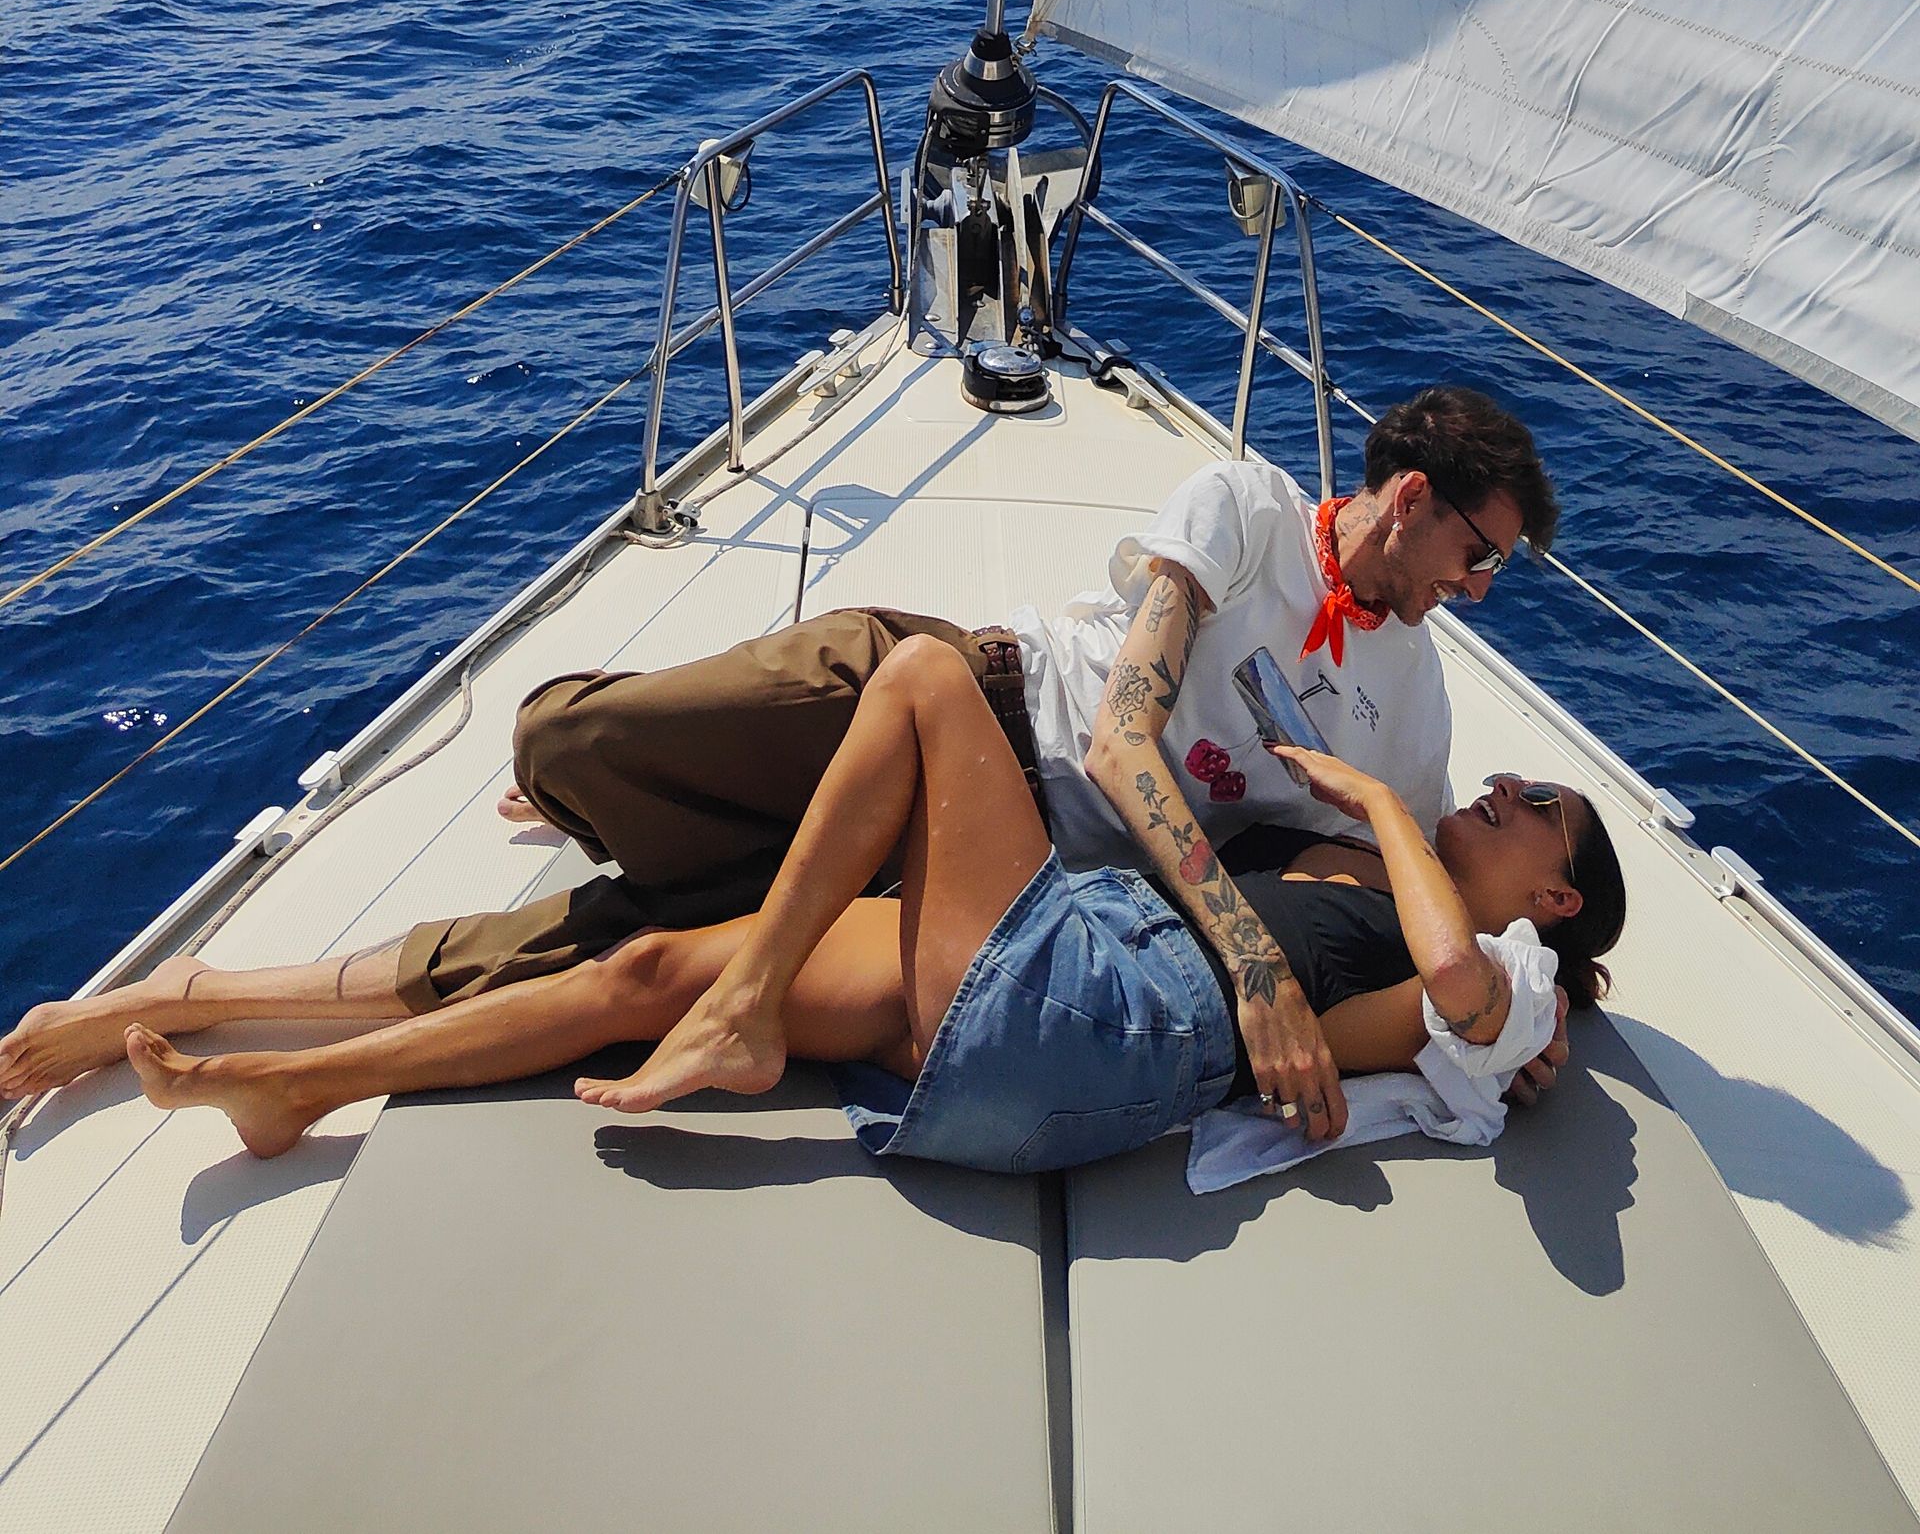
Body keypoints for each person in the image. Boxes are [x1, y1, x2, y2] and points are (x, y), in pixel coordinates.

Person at [1, 576, 1622, 1176]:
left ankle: (751, 997)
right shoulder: (1345, 867)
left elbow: (1473, 1014)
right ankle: (264, 1056)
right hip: (1052, 957)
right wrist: (1346, 817)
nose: (1496, 787)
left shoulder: (1486, 987)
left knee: (911, 684)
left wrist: (1385, 816)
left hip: (1070, 1004)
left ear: (1551, 895)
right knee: (637, 972)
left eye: (1533, 804)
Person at [409, 384, 1558, 1050]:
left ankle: (416, 971)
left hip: (994, 857)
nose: (1479, 585)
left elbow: (1420, 888)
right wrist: (1251, 957)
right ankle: (593, 786)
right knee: (569, 742)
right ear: (1411, 497)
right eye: (1479, 551)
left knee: (637, 937)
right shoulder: (1246, 511)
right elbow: (1119, 738)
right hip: (969, 696)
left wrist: (1535, 1018)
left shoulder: (1414, 702)